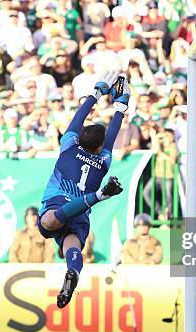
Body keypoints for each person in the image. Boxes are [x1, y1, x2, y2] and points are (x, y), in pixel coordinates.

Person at [37, 72, 129, 308]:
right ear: (99, 148)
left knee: (48, 223)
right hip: (80, 213)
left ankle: (99, 196)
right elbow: (110, 139)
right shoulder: (104, 160)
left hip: (58, 202)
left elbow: (77, 120)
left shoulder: (68, 146)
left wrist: (96, 93)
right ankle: (73, 272)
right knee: (72, 246)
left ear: (80, 140)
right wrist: (120, 107)